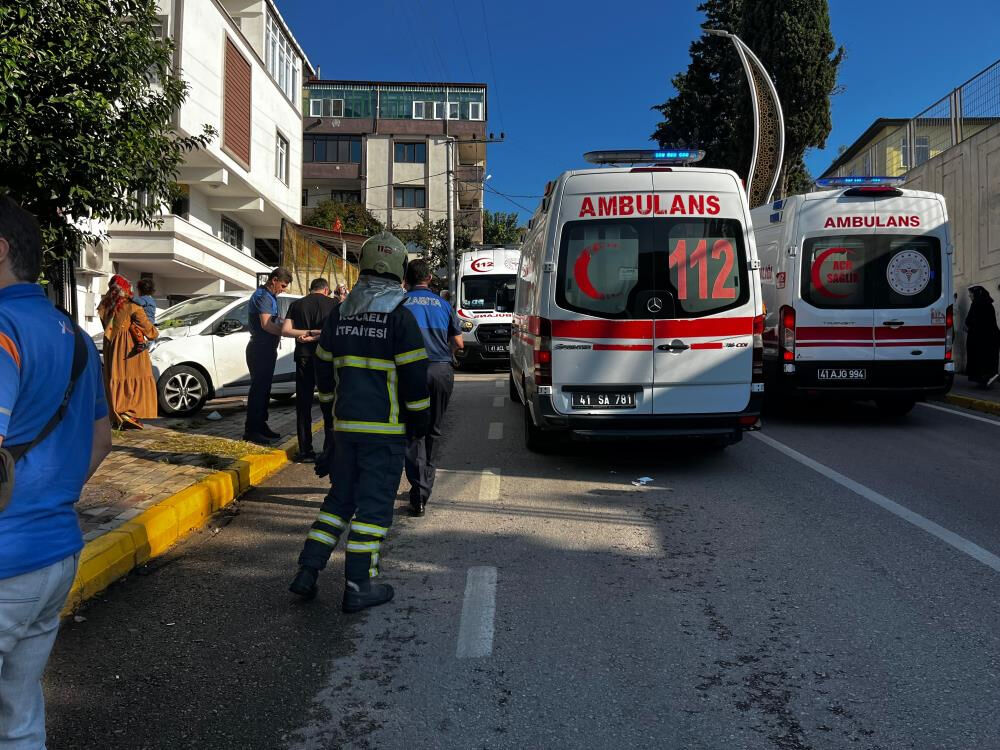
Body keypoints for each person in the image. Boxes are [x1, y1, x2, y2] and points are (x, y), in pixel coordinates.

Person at [0, 197, 113, 747]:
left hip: (7, 556)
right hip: (55, 551)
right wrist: (48, 495)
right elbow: (102, 439)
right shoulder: (75, 338)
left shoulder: (1, 327)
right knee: (18, 720)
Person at [289, 231, 430, 613]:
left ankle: (307, 571)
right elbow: (416, 379)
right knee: (373, 510)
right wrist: (419, 422)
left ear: (363, 266)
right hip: (384, 434)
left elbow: (322, 368)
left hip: (346, 431)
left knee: (339, 501)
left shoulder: (340, 314)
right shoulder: (400, 318)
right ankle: (357, 586)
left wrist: (332, 421)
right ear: (399, 269)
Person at [402, 260, 463, 516]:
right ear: (429, 277)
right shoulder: (444, 305)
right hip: (441, 371)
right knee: (434, 431)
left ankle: (417, 492)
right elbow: (458, 343)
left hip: (411, 372)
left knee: (413, 433)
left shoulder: (400, 304)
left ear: (406, 279)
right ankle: (425, 487)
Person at [282, 278, 337, 462]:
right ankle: (330, 450)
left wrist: (305, 334)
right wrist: (316, 334)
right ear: (326, 290)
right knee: (329, 404)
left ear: (310, 289)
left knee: (303, 405)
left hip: (303, 358)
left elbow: (286, 329)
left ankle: (305, 450)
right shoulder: (334, 304)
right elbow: (335, 330)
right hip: (326, 358)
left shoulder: (297, 304)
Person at [97, 274, 159, 429]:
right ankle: (128, 413)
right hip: (130, 347)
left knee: (115, 376)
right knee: (134, 376)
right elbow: (149, 330)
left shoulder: (105, 306)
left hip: (111, 347)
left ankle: (117, 414)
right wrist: (154, 333)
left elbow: (106, 327)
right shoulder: (132, 306)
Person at [244, 267, 292, 444]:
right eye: (283, 285)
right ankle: (252, 430)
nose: (283, 289)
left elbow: (273, 321)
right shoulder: (263, 296)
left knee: (264, 390)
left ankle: (261, 425)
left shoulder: (269, 297)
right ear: (274, 280)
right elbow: (266, 324)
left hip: (265, 349)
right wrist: (287, 331)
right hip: (260, 348)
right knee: (258, 390)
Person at [965, 285, 1000, 387]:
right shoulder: (989, 305)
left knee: (979, 360)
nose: (969, 296)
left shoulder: (976, 305)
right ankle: (988, 377)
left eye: (971, 294)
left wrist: (967, 326)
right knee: (989, 359)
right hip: (991, 337)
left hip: (978, 339)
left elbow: (969, 321)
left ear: (976, 294)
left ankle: (983, 380)